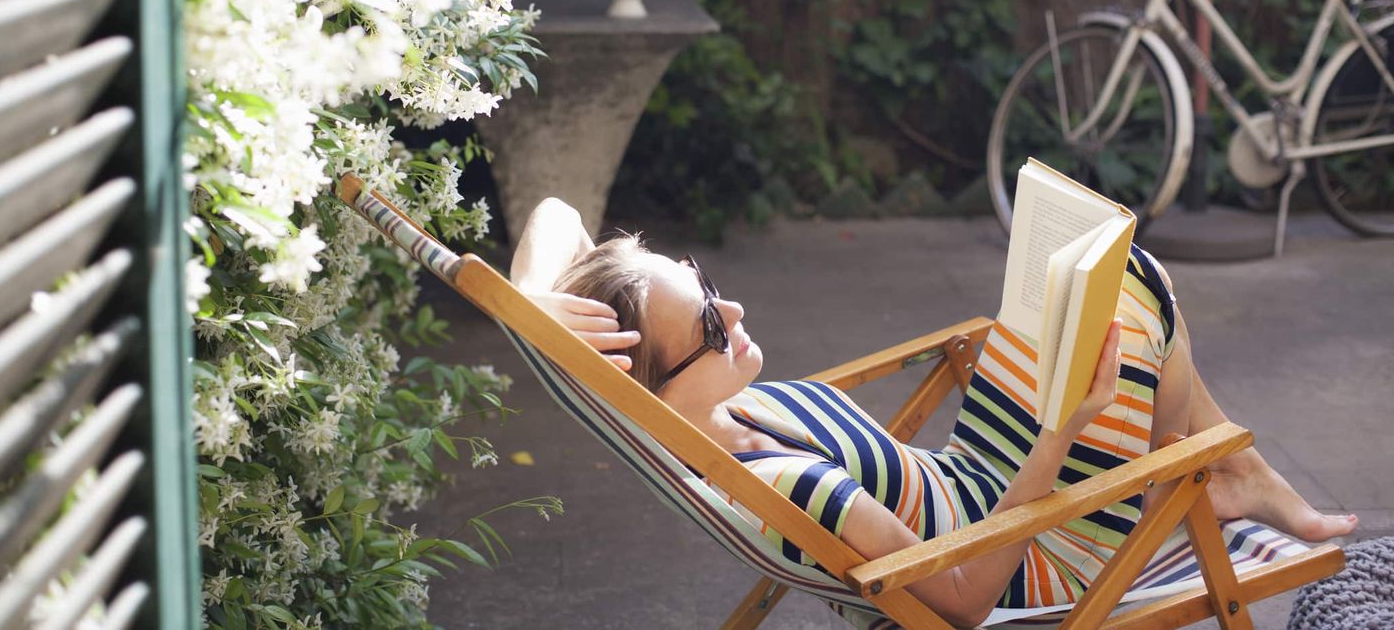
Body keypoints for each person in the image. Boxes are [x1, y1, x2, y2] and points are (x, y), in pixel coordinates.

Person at [510, 198, 1357, 628]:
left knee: (1107, 263)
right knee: (1131, 282)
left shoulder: (717, 423)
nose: (730, 313)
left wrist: (532, 296)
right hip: (1043, 551)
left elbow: (555, 211)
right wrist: (1064, 425)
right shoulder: (784, 482)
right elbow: (960, 602)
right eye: (704, 323)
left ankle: (1229, 468)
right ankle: (1223, 469)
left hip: (981, 479)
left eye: (707, 284)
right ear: (646, 391)